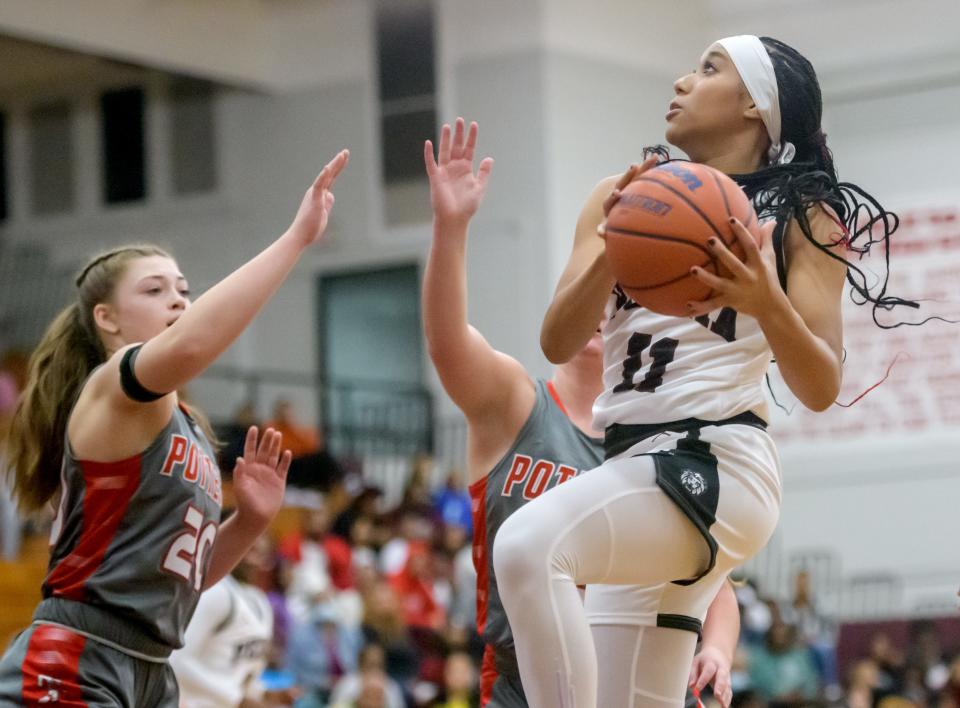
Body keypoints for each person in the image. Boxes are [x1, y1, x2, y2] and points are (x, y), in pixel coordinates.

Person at [493, 35, 919, 708]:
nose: (683, 80)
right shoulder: (618, 194)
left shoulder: (803, 215)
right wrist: (611, 246)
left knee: (525, 547)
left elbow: (821, 386)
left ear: (754, 103)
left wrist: (764, 300)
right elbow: (556, 340)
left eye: (709, 68)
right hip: (631, 465)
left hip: (715, 460)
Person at [0, 149, 349, 706]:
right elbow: (191, 344)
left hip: (152, 665)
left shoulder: (183, 423)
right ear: (106, 319)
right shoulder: (112, 384)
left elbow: (188, 578)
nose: (179, 300)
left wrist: (250, 520)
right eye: (155, 289)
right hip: (79, 651)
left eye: (183, 288)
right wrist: (295, 239)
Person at [423, 118, 739, 708]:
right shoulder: (517, 402)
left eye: (620, 294)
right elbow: (445, 342)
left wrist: (717, 649)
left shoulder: (662, 432)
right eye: (594, 289)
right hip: (522, 685)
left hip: (629, 679)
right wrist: (450, 229)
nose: (601, 307)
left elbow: (715, 582)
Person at [169, 534, 276, 708]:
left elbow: (238, 672)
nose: (255, 560)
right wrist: (238, 700)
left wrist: (264, 693)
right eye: (251, 549)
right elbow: (176, 662)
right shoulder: (216, 592)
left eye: (262, 553)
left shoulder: (260, 600)